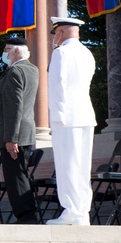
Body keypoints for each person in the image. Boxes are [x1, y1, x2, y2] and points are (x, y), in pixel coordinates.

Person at [46, 16, 97, 226]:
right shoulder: (87, 53)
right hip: (85, 114)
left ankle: (71, 212)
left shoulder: (61, 53)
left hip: (67, 117)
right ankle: (82, 211)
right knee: (82, 166)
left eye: (56, 33)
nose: (55, 38)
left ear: (61, 32)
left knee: (68, 165)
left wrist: (56, 118)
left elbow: (58, 87)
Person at [0, 35, 39, 223]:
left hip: (14, 135)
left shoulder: (15, 72)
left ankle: (26, 217)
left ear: (17, 51)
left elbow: (14, 107)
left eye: (7, 49)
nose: (4, 53)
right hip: (24, 132)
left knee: (16, 178)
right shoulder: (31, 69)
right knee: (19, 175)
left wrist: (11, 138)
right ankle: (26, 215)